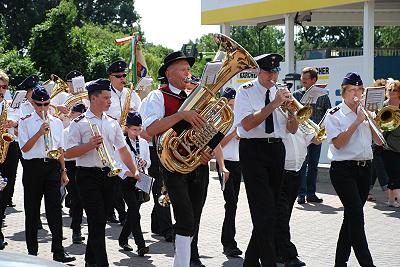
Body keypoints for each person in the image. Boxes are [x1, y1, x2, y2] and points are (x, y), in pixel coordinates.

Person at [141, 51, 212, 267]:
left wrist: (208, 149)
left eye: (189, 69)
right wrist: (182, 115)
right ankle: (181, 263)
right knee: (185, 219)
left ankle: (190, 259)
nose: (188, 74)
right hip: (172, 166)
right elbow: (151, 129)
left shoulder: (196, 96)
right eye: (183, 69)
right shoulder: (157, 96)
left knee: (195, 217)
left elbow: (209, 129)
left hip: (198, 164)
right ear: (169, 72)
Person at [66, 78, 140, 267]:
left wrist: (135, 171)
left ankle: (90, 261)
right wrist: (88, 146)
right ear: (93, 98)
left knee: (98, 222)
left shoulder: (113, 123)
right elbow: (68, 152)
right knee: (97, 220)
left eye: (110, 97)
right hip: (87, 175)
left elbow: (122, 149)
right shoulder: (79, 123)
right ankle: (101, 263)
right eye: (106, 98)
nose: (110, 101)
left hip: (109, 175)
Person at [234, 53, 298, 267]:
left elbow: (293, 129)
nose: (273, 75)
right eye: (269, 71)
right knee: (265, 211)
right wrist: (273, 105)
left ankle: (250, 262)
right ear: (258, 72)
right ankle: (269, 262)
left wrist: (291, 112)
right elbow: (247, 124)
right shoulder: (245, 91)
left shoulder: (280, 92)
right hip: (253, 150)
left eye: (276, 71)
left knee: (268, 212)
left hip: (277, 150)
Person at [325, 72, 381, 267]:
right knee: (357, 217)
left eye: (359, 90)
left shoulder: (368, 113)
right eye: (351, 90)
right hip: (343, 170)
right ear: (344, 92)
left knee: (350, 217)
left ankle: (340, 262)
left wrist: (370, 119)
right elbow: (338, 144)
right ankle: (367, 263)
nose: (355, 94)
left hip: (365, 169)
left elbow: (378, 141)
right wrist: (357, 121)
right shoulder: (334, 114)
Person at [18, 85, 75, 263]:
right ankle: (32, 252)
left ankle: (58, 250)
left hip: (52, 167)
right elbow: (24, 148)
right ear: (33, 104)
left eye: (45, 104)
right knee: (32, 211)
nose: (42, 108)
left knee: (54, 210)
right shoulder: (25, 121)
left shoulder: (57, 122)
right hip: (33, 167)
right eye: (38, 105)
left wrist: (64, 171)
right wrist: (38, 133)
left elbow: (59, 149)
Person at [275, 129, 317, 267]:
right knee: (281, 215)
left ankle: (277, 251)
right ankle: (289, 255)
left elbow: (315, 140)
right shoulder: (279, 119)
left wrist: (320, 130)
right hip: (280, 173)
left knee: (285, 215)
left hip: (296, 173)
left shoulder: (301, 121)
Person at [106, 60, 141, 224]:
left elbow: (140, 114)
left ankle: (124, 211)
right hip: (111, 139)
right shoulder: (106, 93)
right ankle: (115, 211)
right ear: (110, 77)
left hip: (127, 139)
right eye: (118, 76)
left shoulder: (131, 93)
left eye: (123, 76)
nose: (122, 79)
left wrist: (134, 114)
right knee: (113, 178)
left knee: (124, 176)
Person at [293, 67, 331, 204]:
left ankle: (311, 193)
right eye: (302, 78)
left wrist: (322, 133)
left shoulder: (324, 96)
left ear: (314, 80)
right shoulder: (296, 95)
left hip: (316, 136)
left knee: (313, 165)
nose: (303, 80)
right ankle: (301, 194)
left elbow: (328, 116)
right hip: (301, 136)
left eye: (306, 78)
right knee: (302, 164)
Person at [214, 87, 243, 257]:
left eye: (234, 104)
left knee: (234, 203)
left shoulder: (239, 117)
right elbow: (218, 145)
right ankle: (228, 243)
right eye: (229, 104)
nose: (232, 108)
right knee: (230, 202)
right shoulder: (220, 120)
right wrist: (234, 133)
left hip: (238, 164)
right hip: (223, 164)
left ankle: (230, 241)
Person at [117, 111, 150, 256]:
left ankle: (123, 238)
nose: (136, 132)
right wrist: (130, 172)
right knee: (135, 213)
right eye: (133, 129)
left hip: (141, 180)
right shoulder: (121, 143)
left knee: (133, 212)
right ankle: (141, 245)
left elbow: (149, 162)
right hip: (126, 181)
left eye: (139, 129)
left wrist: (144, 162)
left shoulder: (143, 143)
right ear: (126, 128)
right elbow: (117, 164)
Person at [63, 103, 87, 244]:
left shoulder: (86, 129)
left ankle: (78, 227)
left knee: (83, 198)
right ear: (71, 115)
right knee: (76, 198)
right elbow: (65, 152)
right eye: (78, 114)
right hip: (71, 164)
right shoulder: (66, 131)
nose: (80, 117)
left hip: (83, 164)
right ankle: (76, 230)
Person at [380, 79, 400, 207]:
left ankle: (391, 200)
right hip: (388, 145)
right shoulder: (383, 105)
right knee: (394, 172)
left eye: (395, 90)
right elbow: (379, 123)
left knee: (395, 174)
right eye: (389, 90)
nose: (392, 92)